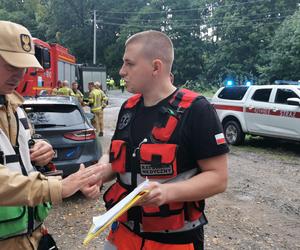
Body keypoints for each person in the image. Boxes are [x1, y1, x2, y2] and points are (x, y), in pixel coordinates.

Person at [94, 30, 229, 250]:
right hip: (122, 233)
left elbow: (218, 178)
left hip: (174, 241)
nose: (121, 71)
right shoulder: (128, 108)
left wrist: (166, 193)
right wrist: (99, 172)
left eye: (129, 64)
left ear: (156, 67)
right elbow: (113, 157)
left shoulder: (197, 110)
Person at [0, 21, 103, 250]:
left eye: (24, 66)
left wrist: (41, 150)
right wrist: (59, 187)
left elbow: (18, 157)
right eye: (11, 65)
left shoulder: (15, 106)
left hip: (29, 236)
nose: (20, 74)